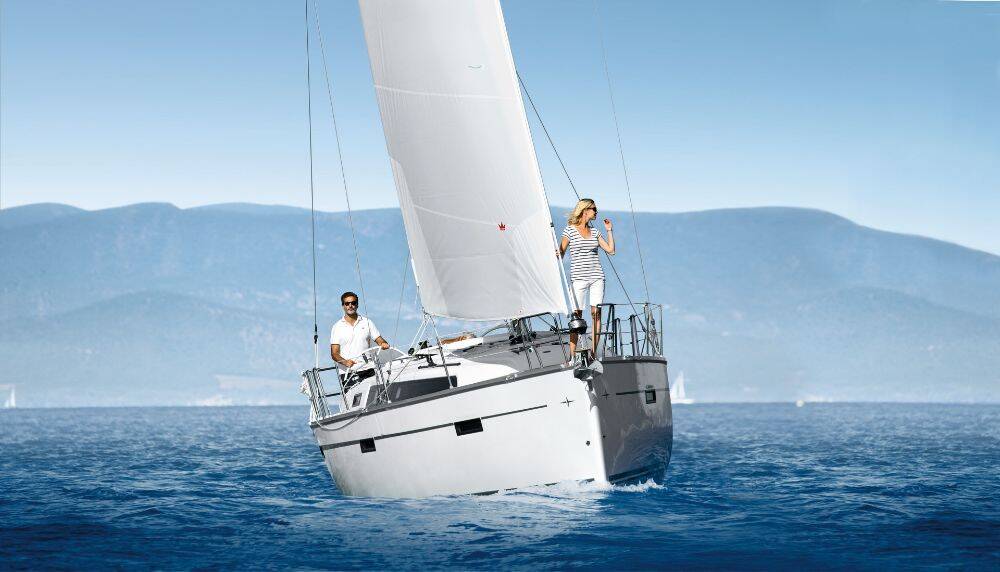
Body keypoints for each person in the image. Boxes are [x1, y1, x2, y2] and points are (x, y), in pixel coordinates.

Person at [559, 198, 615, 358]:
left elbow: (611, 250)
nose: (596, 212)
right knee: (577, 317)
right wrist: (557, 252)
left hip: (597, 277)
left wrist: (609, 230)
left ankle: (593, 354)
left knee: (596, 314)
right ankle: (571, 355)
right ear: (585, 210)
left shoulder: (595, 232)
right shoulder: (570, 230)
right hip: (578, 278)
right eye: (594, 209)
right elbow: (561, 253)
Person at [330, 291, 390, 370]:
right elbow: (334, 353)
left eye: (353, 303)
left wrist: (383, 344)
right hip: (348, 372)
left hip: (368, 368)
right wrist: (345, 362)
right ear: (343, 306)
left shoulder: (367, 322)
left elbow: (380, 340)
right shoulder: (337, 327)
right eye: (347, 303)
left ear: (357, 305)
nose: (350, 306)